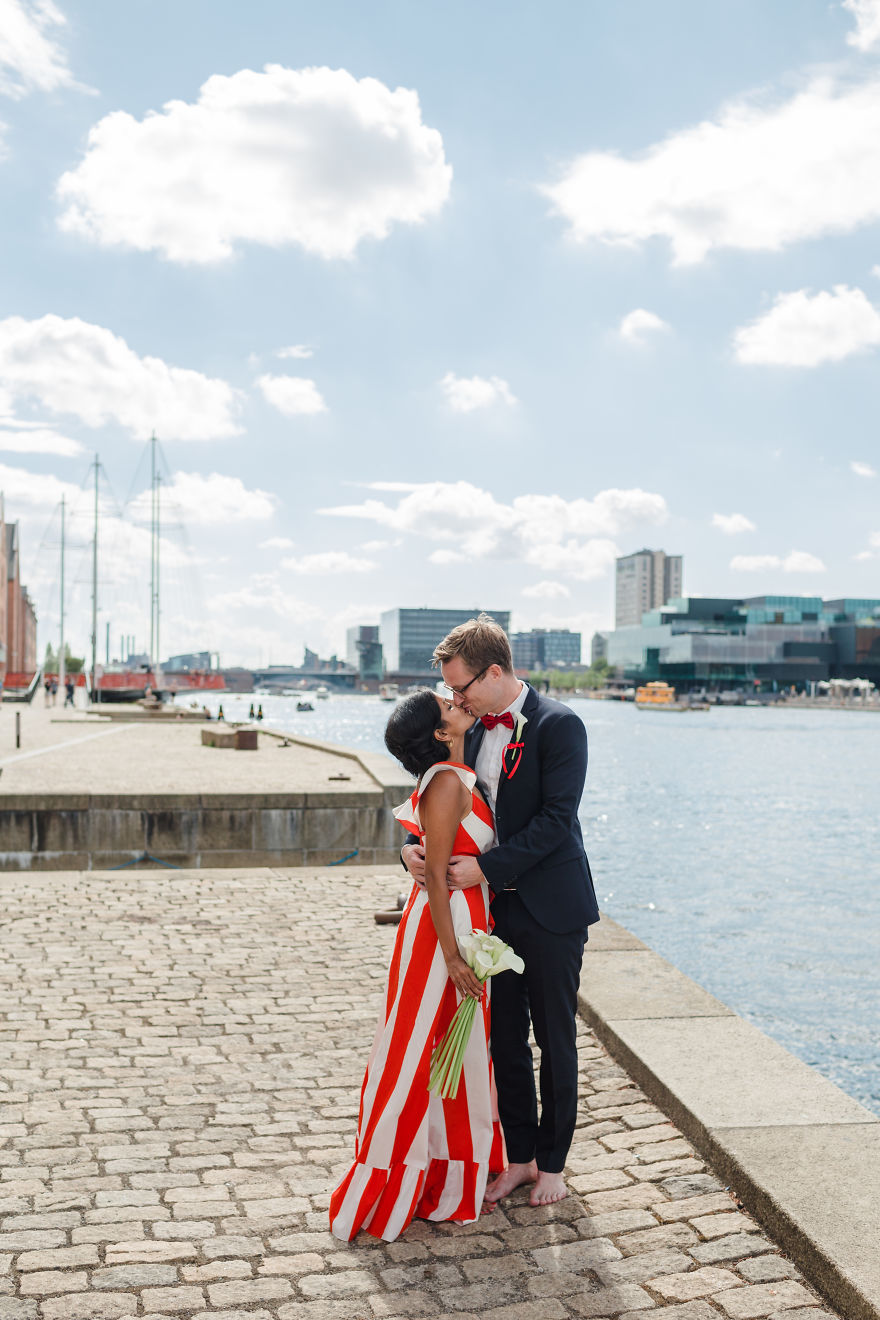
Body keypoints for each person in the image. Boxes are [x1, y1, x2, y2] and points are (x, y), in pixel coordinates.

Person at [402, 614, 599, 1207]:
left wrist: (485, 869)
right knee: (503, 1042)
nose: (453, 699)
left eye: (461, 687)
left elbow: (554, 823)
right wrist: (410, 850)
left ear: (494, 672)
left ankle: (556, 1166)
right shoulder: (471, 729)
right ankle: (520, 1158)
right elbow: (438, 799)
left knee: (555, 1039)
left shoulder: (561, 726)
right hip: (489, 916)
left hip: (551, 909)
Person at [330, 689, 503, 1242]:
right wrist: (453, 955)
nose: (458, 704)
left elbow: (430, 857)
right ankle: (408, 1179)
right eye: (446, 706)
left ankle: (447, 1177)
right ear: (438, 732)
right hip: (441, 929)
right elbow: (432, 875)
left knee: (451, 1049)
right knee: (415, 1051)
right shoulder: (448, 782)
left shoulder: (450, 775)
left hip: (453, 921)